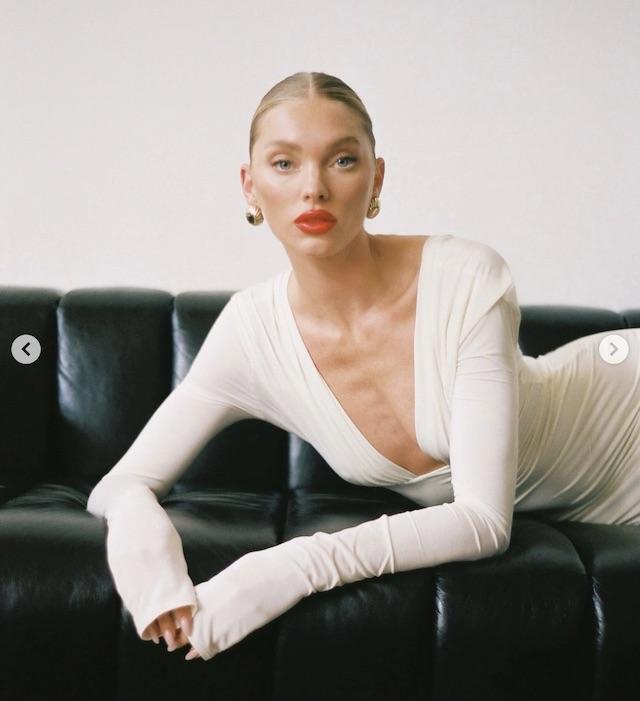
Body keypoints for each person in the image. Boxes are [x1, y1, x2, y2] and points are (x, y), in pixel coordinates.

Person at [86, 71, 640, 662]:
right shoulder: (250, 335)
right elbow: (119, 485)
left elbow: (483, 521)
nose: (314, 189)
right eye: (284, 163)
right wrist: (151, 565)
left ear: (376, 178)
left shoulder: (465, 278)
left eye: (342, 161)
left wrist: (285, 569)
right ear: (250, 186)